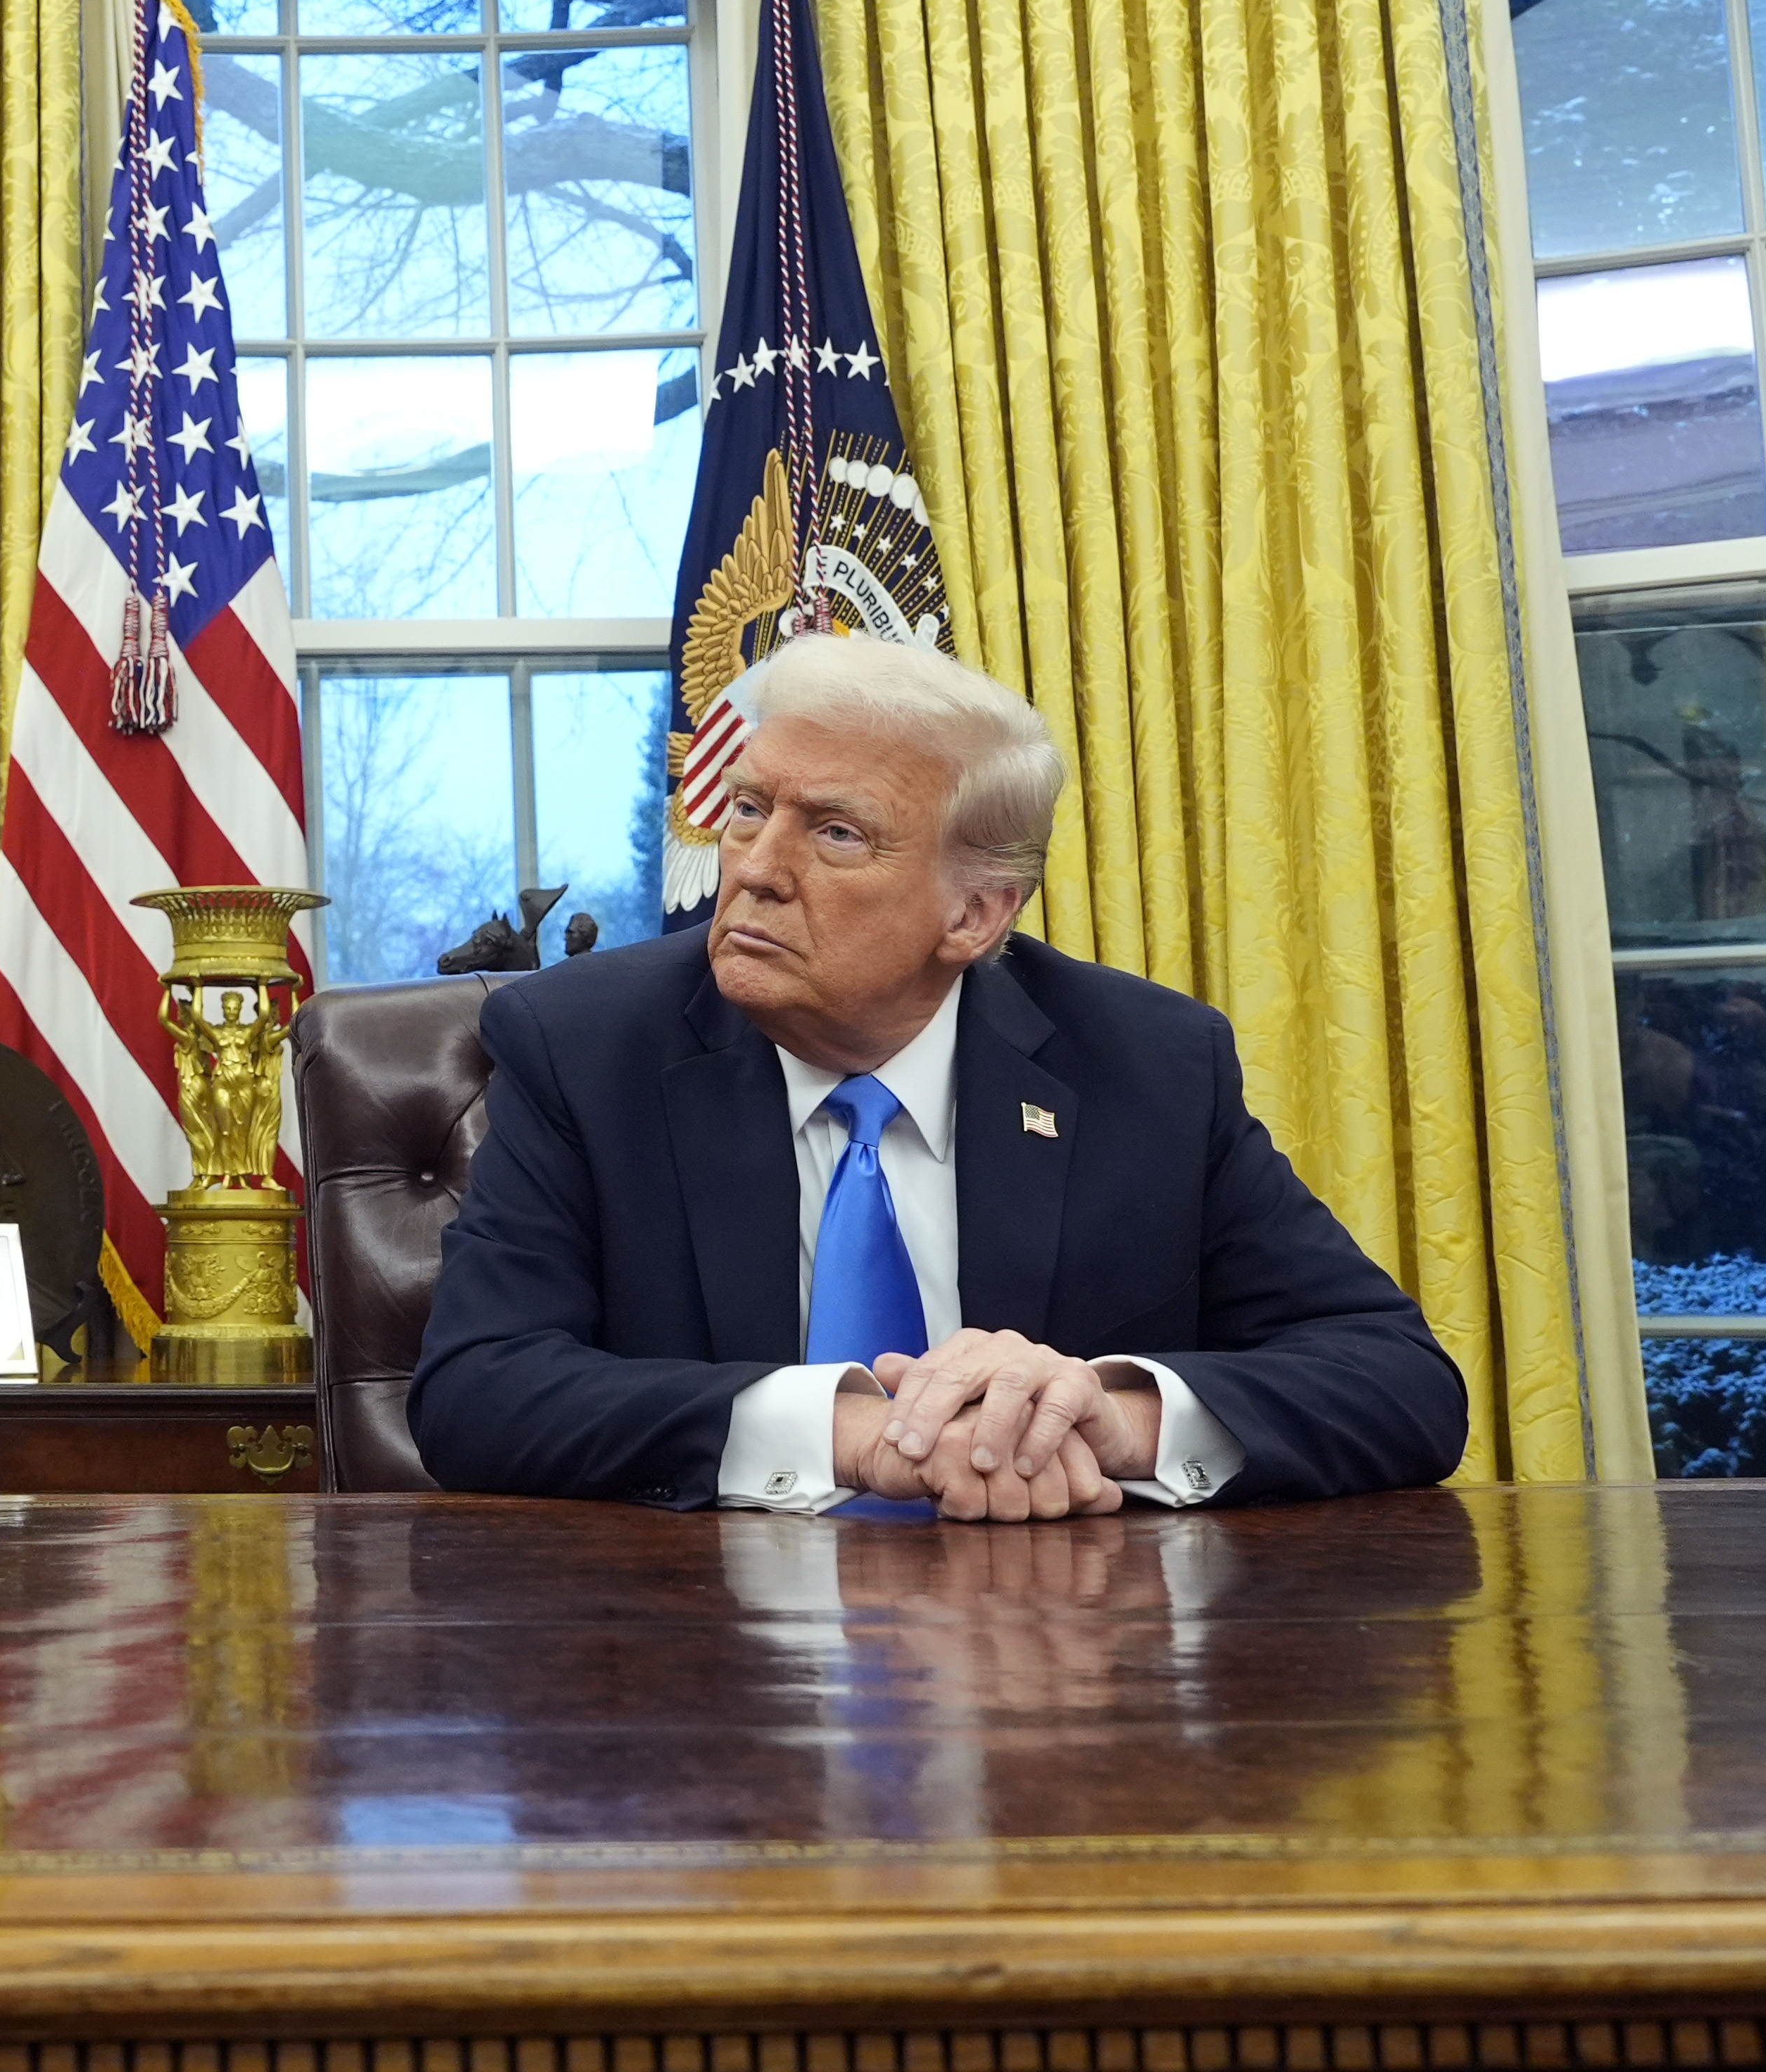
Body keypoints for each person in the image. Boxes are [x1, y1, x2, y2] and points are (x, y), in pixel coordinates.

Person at [411, 634, 1467, 1517]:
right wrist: (857, 1432)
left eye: (834, 831)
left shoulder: (1146, 1064)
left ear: (973, 914)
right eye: (744, 809)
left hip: (1060, 1685)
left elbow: (1399, 1380)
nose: (756, 869)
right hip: (701, 1675)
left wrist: (1107, 1414)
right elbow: (477, 1392)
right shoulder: (585, 1046)